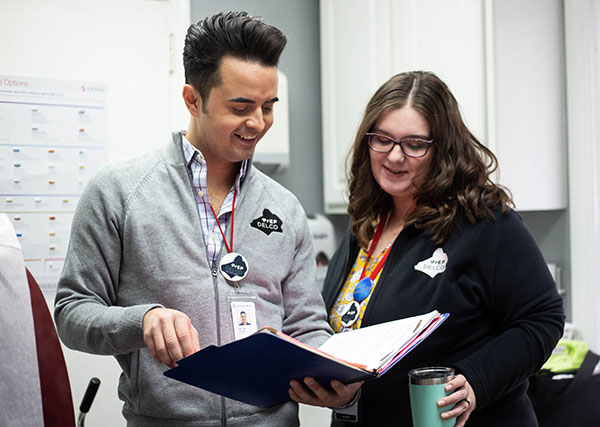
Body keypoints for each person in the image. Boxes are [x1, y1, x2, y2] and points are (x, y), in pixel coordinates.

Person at [54, 11, 359, 427]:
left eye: (268, 107)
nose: (258, 123)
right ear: (192, 99)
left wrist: (333, 374)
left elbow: (307, 325)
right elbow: (72, 313)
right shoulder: (118, 192)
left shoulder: (285, 208)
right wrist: (140, 320)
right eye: (241, 107)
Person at [318, 71, 565, 426]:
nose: (395, 156)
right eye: (382, 139)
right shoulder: (365, 223)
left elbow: (542, 318)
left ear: (443, 149)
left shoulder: (484, 222)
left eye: (414, 144)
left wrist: (477, 381)